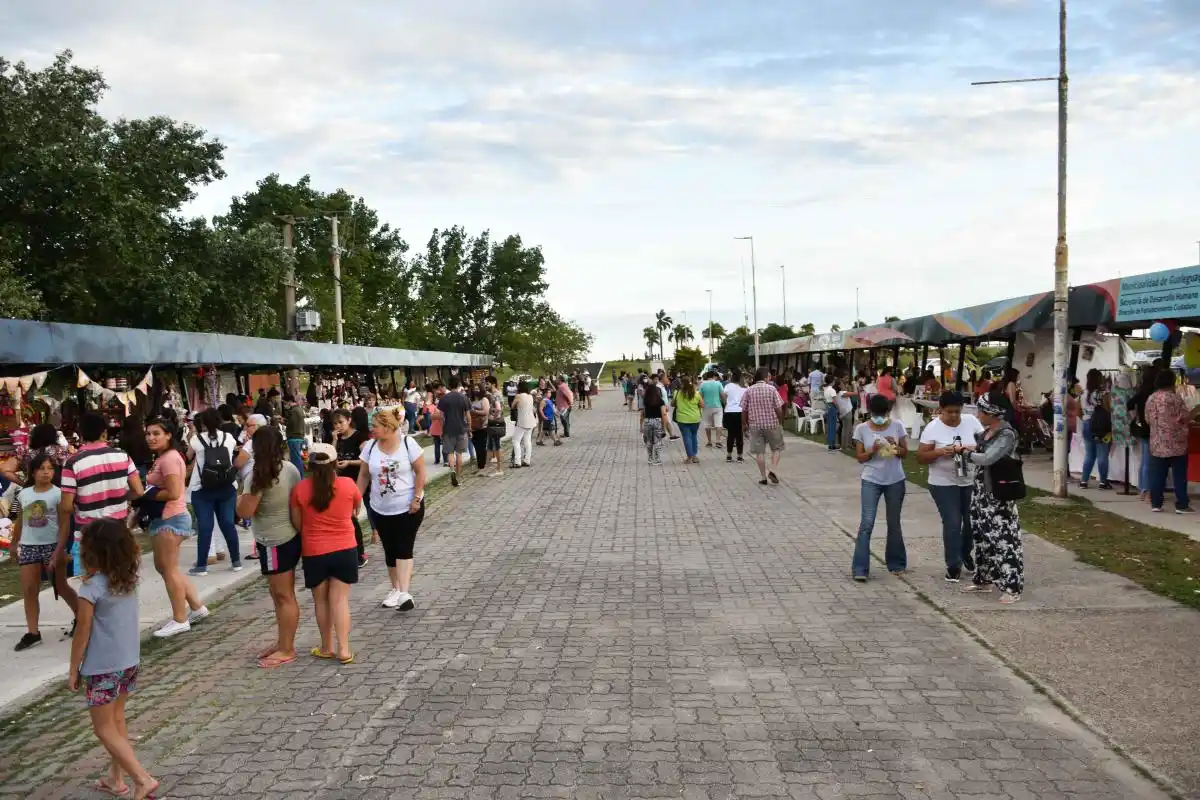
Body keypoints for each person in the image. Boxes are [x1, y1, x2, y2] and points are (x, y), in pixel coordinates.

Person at [69, 518, 159, 800]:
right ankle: (115, 778)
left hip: (102, 667)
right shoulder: (128, 580)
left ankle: (142, 779)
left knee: (104, 728)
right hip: (128, 662)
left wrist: (73, 669)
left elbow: (82, 632)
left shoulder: (91, 589)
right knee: (117, 720)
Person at [60, 413, 145, 604]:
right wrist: (120, 497)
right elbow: (138, 491)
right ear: (104, 433)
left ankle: (88, 619)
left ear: (81, 434)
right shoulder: (122, 456)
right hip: (118, 531)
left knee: (90, 586)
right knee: (121, 582)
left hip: (88, 534)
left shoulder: (73, 462)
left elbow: (66, 505)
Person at [237, 425, 302, 668]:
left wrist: (238, 498)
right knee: (280, 594)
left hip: (273, 541)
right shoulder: (290, 469)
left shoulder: (257, 476)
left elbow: (245, 511)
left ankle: (287, 648)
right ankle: (283, 641)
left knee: (283, 596)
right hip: (289, 536)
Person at [290, 443, 360, 664]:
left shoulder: (300, 490)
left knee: (320, 601)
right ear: (335, 463)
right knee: (340, 600)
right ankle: (344, 649)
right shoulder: (348, 484)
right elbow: (356, 510)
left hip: (314, 550)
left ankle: (326, 646)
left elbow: (297, 523)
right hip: (345, 548)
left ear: (309, 465)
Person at [143, 418, 207, 638]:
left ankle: (180, 619)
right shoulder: (163, 457)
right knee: (167, 568)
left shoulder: (169, 458)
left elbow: (173, 492)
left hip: (170, 518)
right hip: (166, 518)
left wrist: (145, 494)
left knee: (169, 570)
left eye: (156, 433)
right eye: (148, 433)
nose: (151, 438)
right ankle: (196, 607)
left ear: (168, 435)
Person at [357, 409, 426, 611]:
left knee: (404, 547)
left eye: (375, 426)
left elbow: (421, 471)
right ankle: (395, 589)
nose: (372, 430)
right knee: (390, 549)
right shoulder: (370, 447)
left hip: (407, 506)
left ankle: (404, 593)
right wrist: (355, 499)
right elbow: (363, 475)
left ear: (388, 427)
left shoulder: (408, 444)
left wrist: (417, 497)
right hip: (379, 508)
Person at [12, 453, 76, 651]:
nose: (46, 472)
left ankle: (82, 618)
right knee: (29, 589)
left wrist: (59, 550)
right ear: (33, 472)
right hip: (29, 546)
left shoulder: (59, 494)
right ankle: (33, 632)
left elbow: (65, 525)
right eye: (42, 468)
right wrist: (14, 543)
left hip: (52, 545)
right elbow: (20, 521)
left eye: (50, 468)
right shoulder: (24, 494)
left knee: (60, 585)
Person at [963, 396, 1024, 603]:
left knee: (1003, 538)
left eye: (981, 411)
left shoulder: (1006, 434)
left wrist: (966, 454)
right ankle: (984, 578)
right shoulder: (986, 432)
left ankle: (1012, 586)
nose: (978, 415)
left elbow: (989, 458)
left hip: (999, 492)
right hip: (981, 491)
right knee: (981, 535)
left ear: (992, 414)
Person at [918, 393, 983, 582]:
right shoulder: (932, 428)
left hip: (969, 480)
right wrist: (939, 452)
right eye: (949, 412)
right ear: (941, 410)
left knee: (972, 522)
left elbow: (984, 444)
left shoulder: (971, 421)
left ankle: (965, 552)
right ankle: (953, 565)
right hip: (943, 482)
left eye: (957, 411)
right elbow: (921, 457)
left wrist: (969, 449)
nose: (954, 416)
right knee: (953, 523)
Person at [851, 394, 909, 581]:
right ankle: (860, 568)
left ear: (888, 412)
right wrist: (872, 450)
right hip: (871, 479)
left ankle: (896, 563)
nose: (879, 418)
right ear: (870, 412)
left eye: (882, 414)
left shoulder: (897, 426)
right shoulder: (861, 429)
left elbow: (905, 453)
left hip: (895, 479)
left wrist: (895, 446)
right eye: (876, 414)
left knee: (894, 522)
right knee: (867, 523)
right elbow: (860, 457)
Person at [187, 408, 243, 576]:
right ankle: (236, 561)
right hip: (226, 486)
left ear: (203, 423)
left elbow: (188, 456)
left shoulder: (196, 440)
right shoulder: (229, 438)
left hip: (202, 487)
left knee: (205, 526)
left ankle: (201, 566)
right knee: (227, 523)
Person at [1144, 369, 1193, 514]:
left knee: (1157, 475)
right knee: (1179, 476)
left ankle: (1156, 503)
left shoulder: (1151, 398)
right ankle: (1181, 504)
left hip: (1157, 443)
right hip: (1176, 443)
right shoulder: (1175, 399)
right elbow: (1184, 417)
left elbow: (1147, 419)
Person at [332, 409, 370, 567]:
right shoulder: (338, 438)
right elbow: (330, 458)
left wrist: (349, 462)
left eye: (341, 422)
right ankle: (348, 551)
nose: (338, 426)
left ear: (349, 420)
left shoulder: (359, 436)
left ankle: (360, 553)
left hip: (357, 481)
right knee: (346, 518)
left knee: (352, 518)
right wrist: (334, 441)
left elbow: (366, 460)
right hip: (341, 482)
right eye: (335, 423)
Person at [744, 368, 785, 485]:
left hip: (755, 425)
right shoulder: (772, 389)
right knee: (776, 448)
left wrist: (744, 424)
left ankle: (763, 477)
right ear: (766, 377)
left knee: (759, 452)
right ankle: (772, 469)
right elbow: (778, 408)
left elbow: (744, 409)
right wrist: (780, 421)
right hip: (772, 424)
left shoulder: (749, 390)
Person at [1079, 368, 1113, 490]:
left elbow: (1079, 411)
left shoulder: (1083, 394)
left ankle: (1084, 481)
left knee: (1089, 454)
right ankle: (1103, 482)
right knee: (1102, 453)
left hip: (1086, 423)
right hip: (1100, 425)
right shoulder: (1102, 394)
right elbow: (1108, 409)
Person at [438, 377, 471, 487]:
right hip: (461, 429)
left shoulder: (444, 399)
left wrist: (442, 430)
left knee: (450, 453)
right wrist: (469, 428)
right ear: (458, 385)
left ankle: (452, 470)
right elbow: (468, 416)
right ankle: (458, 475)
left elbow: (441, 417)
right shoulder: (464, 398)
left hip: (448, 429)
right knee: (459, 453)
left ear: (449, 385)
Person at [673, 376, 704, 464]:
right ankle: (694, 456)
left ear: (681, 384)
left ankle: (689, 457)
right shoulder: (696, 393)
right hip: (695, 418)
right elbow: (702, 405)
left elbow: (672, 404)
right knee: (694, 436)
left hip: (682, 419)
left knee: (687, 437)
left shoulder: (678, 393)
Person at [640, 383, 672, 466]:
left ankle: (650, 458)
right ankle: (657, 459)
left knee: (649, 441)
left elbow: (642, 413)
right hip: (658, 421)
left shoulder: (645, 401)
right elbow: (664, 414)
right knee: (658, 440)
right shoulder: (660, 401)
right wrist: (664, 427)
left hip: (647, 421)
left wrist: (641, 425)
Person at [721, 369, 747, 463]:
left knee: (730, 434)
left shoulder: (728, 386)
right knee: (740, 434)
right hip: (740, 412)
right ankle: (740, 456)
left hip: (729, 411)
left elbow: (723, 397)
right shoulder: (744, 387)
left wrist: (726, 403)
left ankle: (729, 455)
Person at [484, 375, 507, 477]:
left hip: (496, 424)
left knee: (497, 446)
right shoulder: (494, 394)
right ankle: (487, 467)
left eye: (487, 383)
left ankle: (499, 469)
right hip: (494, 423)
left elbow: (498, 408)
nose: (486, 385)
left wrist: (492, 416)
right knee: (489, 446)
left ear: (493, 384)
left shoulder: (495, 395)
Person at [511, 383, 537, 468]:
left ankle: (517, 461)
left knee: (516, 440)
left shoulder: (518, 396)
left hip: (522, 421)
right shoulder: (530, 396)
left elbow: (512, 406)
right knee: (527, 441)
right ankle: (527, 460)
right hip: (531, 421)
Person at [283, 392, 307, 476]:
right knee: (297, 458)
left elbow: (291, 423)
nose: (284, 405)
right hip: (299, 436)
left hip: (294, 437)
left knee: (296, 460)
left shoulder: (294, 410)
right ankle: (300, 476)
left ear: (289, 401)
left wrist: (283, 421)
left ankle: (299, 477)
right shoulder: (299, 409)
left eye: (285, 403)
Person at [699, 371, 725, 449]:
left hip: (706, 406)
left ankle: (709, 442)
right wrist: (725, 403)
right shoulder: (718, 383)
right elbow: (722, 395)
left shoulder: (702, 384)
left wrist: (701, 405)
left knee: (707, 425)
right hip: (717, 406)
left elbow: (700, 396)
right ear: (714, 376)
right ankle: (718, 441)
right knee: (719, 424)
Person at [469, 386, 490, 471]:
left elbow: (486, 412)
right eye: (474, 389)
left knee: (481, 447)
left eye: (477, 389)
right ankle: (480, 465)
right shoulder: (471, 400)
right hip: (473, 427)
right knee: (476, 447)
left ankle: (482, 466)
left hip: (482, 426)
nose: (476, 390)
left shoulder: (484, 400)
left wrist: (475, 411)